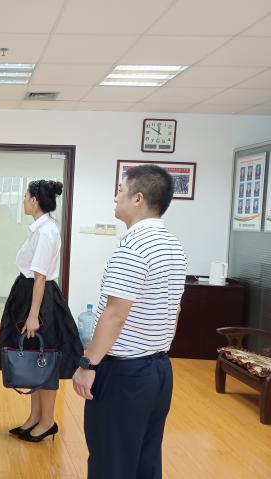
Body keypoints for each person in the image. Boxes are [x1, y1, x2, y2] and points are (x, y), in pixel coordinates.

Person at [72, 165, 187, 479]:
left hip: (126, 374)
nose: (115, 196)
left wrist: (88, 364)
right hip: (159, 370)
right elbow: (175, 309)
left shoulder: (133, 246)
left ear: (138, 198)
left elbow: (115, 314)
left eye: (120, 190)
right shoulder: (173, 245)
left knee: (111, 462)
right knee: (144, 461)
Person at [0, 179, 82, 442]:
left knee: (45, 359)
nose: (23, 200)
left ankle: (47, 421)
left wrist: (34, 315)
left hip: (39, 299)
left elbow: (41, 276)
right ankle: (34, 417)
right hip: (31, 294)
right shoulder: (41, 228)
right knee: (34, 358)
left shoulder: (46, 231)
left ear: (34, 200)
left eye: (25, 196)